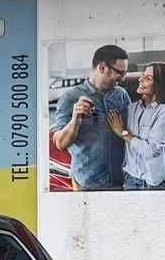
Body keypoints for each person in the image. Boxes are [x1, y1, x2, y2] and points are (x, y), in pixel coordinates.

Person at [51, 44, 130, 190]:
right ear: (102, 68)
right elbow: (60, 143)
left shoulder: (121, 95)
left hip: (123, 182)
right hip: (88, 186)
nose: (124, 78)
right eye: (120, 73)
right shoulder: (70, 98)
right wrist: (75, 120)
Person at [113, 60, 165, 190]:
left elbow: (151, 151)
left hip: (153, 184)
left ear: (160, 85)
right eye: (143, 75)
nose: (141, 79)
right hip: (130, 181)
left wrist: (124, 133)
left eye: (148, 78)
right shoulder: (131, 109)